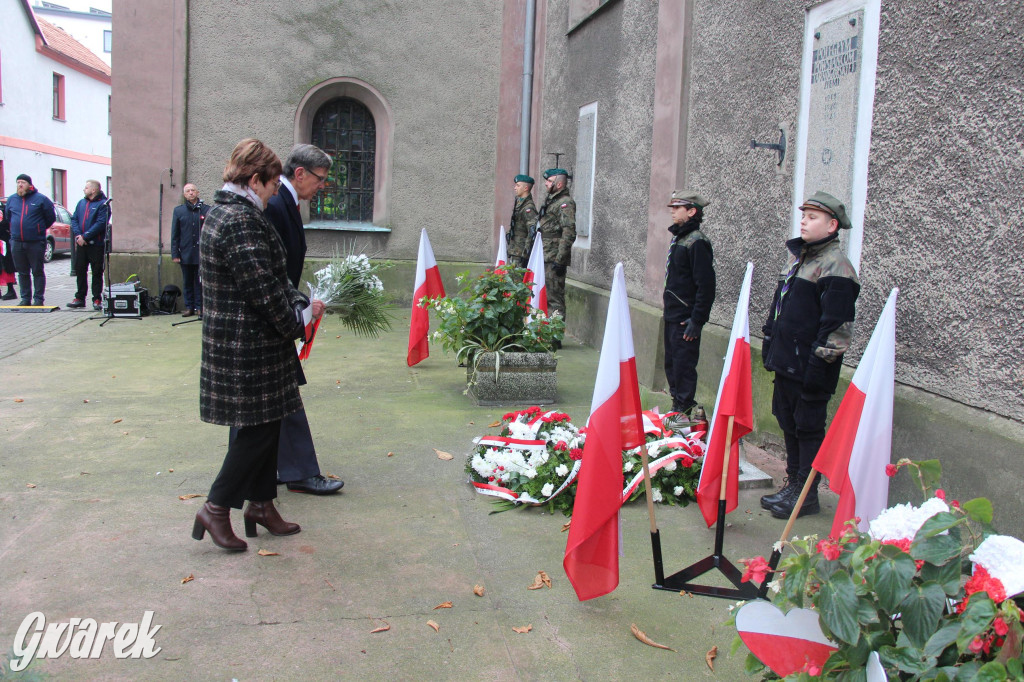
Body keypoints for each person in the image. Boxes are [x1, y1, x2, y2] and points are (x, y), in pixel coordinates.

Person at [191, 138, 325, 551]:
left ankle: (261, 505)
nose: (273, 193)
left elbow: (273, 275)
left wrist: (300, 303)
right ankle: (215, 508)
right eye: (270, 186)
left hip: (250, 343)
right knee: (256, 431)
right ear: (254, 180)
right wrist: (300, 319)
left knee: (268, 425)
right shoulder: (239, 220)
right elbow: (264, 290)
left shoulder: (232, 214)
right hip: (247, 346)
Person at [760, 191, 860, 519]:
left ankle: (807, 494)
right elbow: (781, 305)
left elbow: (836, 327)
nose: (803, 220)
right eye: (803, 215)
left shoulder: (837, 267)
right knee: (787, 421)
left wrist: (818, 368)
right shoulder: (798, 258)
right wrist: (769, 338)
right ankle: (793, 485)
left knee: (808, 427)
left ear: (832, 225)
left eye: (812, 217)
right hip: (787, 362)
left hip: (811, 368)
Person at [261, 143, 343, 496]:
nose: (321, 186)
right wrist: (299, 306)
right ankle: (294, 471)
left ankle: (275, 469)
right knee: (279, 397)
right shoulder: (277, 205)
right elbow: (272, 269)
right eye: (320, 179)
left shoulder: (285, 203)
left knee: (272, 399)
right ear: (300, 173)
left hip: (280, 311)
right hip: (273, 316)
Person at [662, 190, 716, 416]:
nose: (673, 211)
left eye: (678, 208)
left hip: (686, 320)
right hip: (673, 315)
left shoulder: (697, 242)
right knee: (672, 366)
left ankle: (682, 420)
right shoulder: (681, 238)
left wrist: (697, 319)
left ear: (692, 211)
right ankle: (677, 410)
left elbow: (706, 286)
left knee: (684, 370)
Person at [5, 175, 56, 306]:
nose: (20, 185)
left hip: (35, 242)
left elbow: (50, 217)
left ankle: (38, 299)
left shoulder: (41, 199)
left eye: (22, 182)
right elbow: (8, 217)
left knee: (37, 270)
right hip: (17, 241)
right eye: (18, 182)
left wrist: (38, 228)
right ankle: (25, 298)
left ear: (29, 184)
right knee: (22, 272)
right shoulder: (12, 199)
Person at [537, 168, 576, 322]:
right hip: (545, 254)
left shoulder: (565, 203)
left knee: (554, 297)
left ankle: (555, 335)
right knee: (546, 295)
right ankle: (547, 330)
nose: (546, 184)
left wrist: (560, 259)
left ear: (559, 184)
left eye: (549, 181)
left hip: (554, 257)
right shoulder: (551, 200)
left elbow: (569, 232)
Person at [67, 180, 110, 311]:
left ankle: (97, 298)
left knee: (96, 272)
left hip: (95, 244)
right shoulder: (81, 203)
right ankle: (80, 298)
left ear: (93, 190)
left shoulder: (103, 205)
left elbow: (101, 223)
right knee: (80, 270)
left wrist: (86, 236)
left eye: (86, 188)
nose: (83, 190)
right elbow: (74, 219)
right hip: (81, 244)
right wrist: (79, 235)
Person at [170, 183, 209, 317]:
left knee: (200, 282)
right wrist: (175, 253)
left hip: (200, 253)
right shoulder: (179, 211)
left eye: (193, 190)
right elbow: (175, 234)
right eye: (188, 191)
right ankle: (189, 306)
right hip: (185, 252)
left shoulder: (205, 210)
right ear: (184, 194)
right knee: (187, 281)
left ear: (197, 192)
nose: (191, 193)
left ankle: (200, 306)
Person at [507, 174, 537, 268]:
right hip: (515, 250)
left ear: (526, 188)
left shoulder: (528, 208)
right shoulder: (520, 203)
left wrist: (526, 253)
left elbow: (531, 231)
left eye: (518, 185)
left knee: (517, 280)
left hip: (521, 252)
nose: (515, 188)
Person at [0, 201, 16, 300]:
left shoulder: (3, 209)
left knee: (6, 267)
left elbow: (6, 223)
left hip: (3, 243)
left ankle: (11, 290)